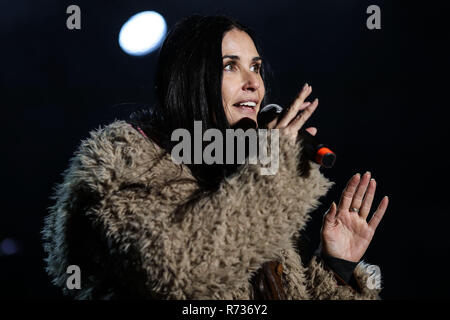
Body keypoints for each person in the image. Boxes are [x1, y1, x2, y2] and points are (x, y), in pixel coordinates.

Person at [42, 14, 388, 300]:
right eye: (229, 66)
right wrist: (271, 176)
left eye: (256, 66)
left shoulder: (245, 179)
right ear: (190, 79)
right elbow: (180, 273)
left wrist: (337, 267)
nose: (253, 82)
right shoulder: (125, 161)